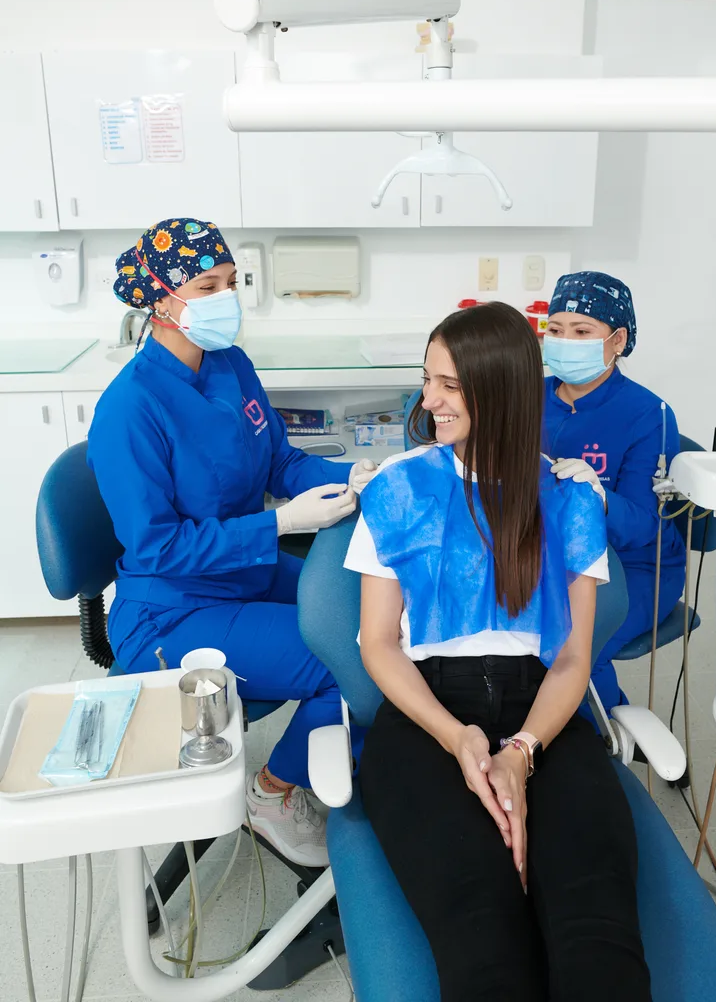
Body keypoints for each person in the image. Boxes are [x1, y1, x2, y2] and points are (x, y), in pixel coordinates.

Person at [345, 302, 651, 1002]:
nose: (429, 401)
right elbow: (378, 644)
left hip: (542, 715)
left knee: (598, 937)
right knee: (485, 942)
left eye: (449, 385)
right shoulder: (398, 489)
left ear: (500, 388)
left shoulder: (568, 499)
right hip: (428, 722)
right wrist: (460, 741)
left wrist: (521, 752)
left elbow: (573, 657)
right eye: (429, 380)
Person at [88, 218, 377, 867]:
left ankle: (342, 760)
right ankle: (272, 793)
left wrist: (353, 479)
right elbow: (158, 548)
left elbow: (279, 463)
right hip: (172, 612)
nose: (226, 298)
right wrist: (279, 525)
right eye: (207, 285)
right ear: (161, 298)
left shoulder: (230, 365)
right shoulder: (128, 409)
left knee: (374, 617)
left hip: (244, 573)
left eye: (230, 282)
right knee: (354, 661)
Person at [542, 271, 685, 713]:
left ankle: (598, 740)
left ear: (618, 340)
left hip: (636, 566)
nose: (566, 342)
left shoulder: (649, 415)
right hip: (549, 553)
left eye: (582, 331)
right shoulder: (529, 398)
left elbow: (644, 525)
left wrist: (599, 499)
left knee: (570, 647)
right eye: (556, 330)